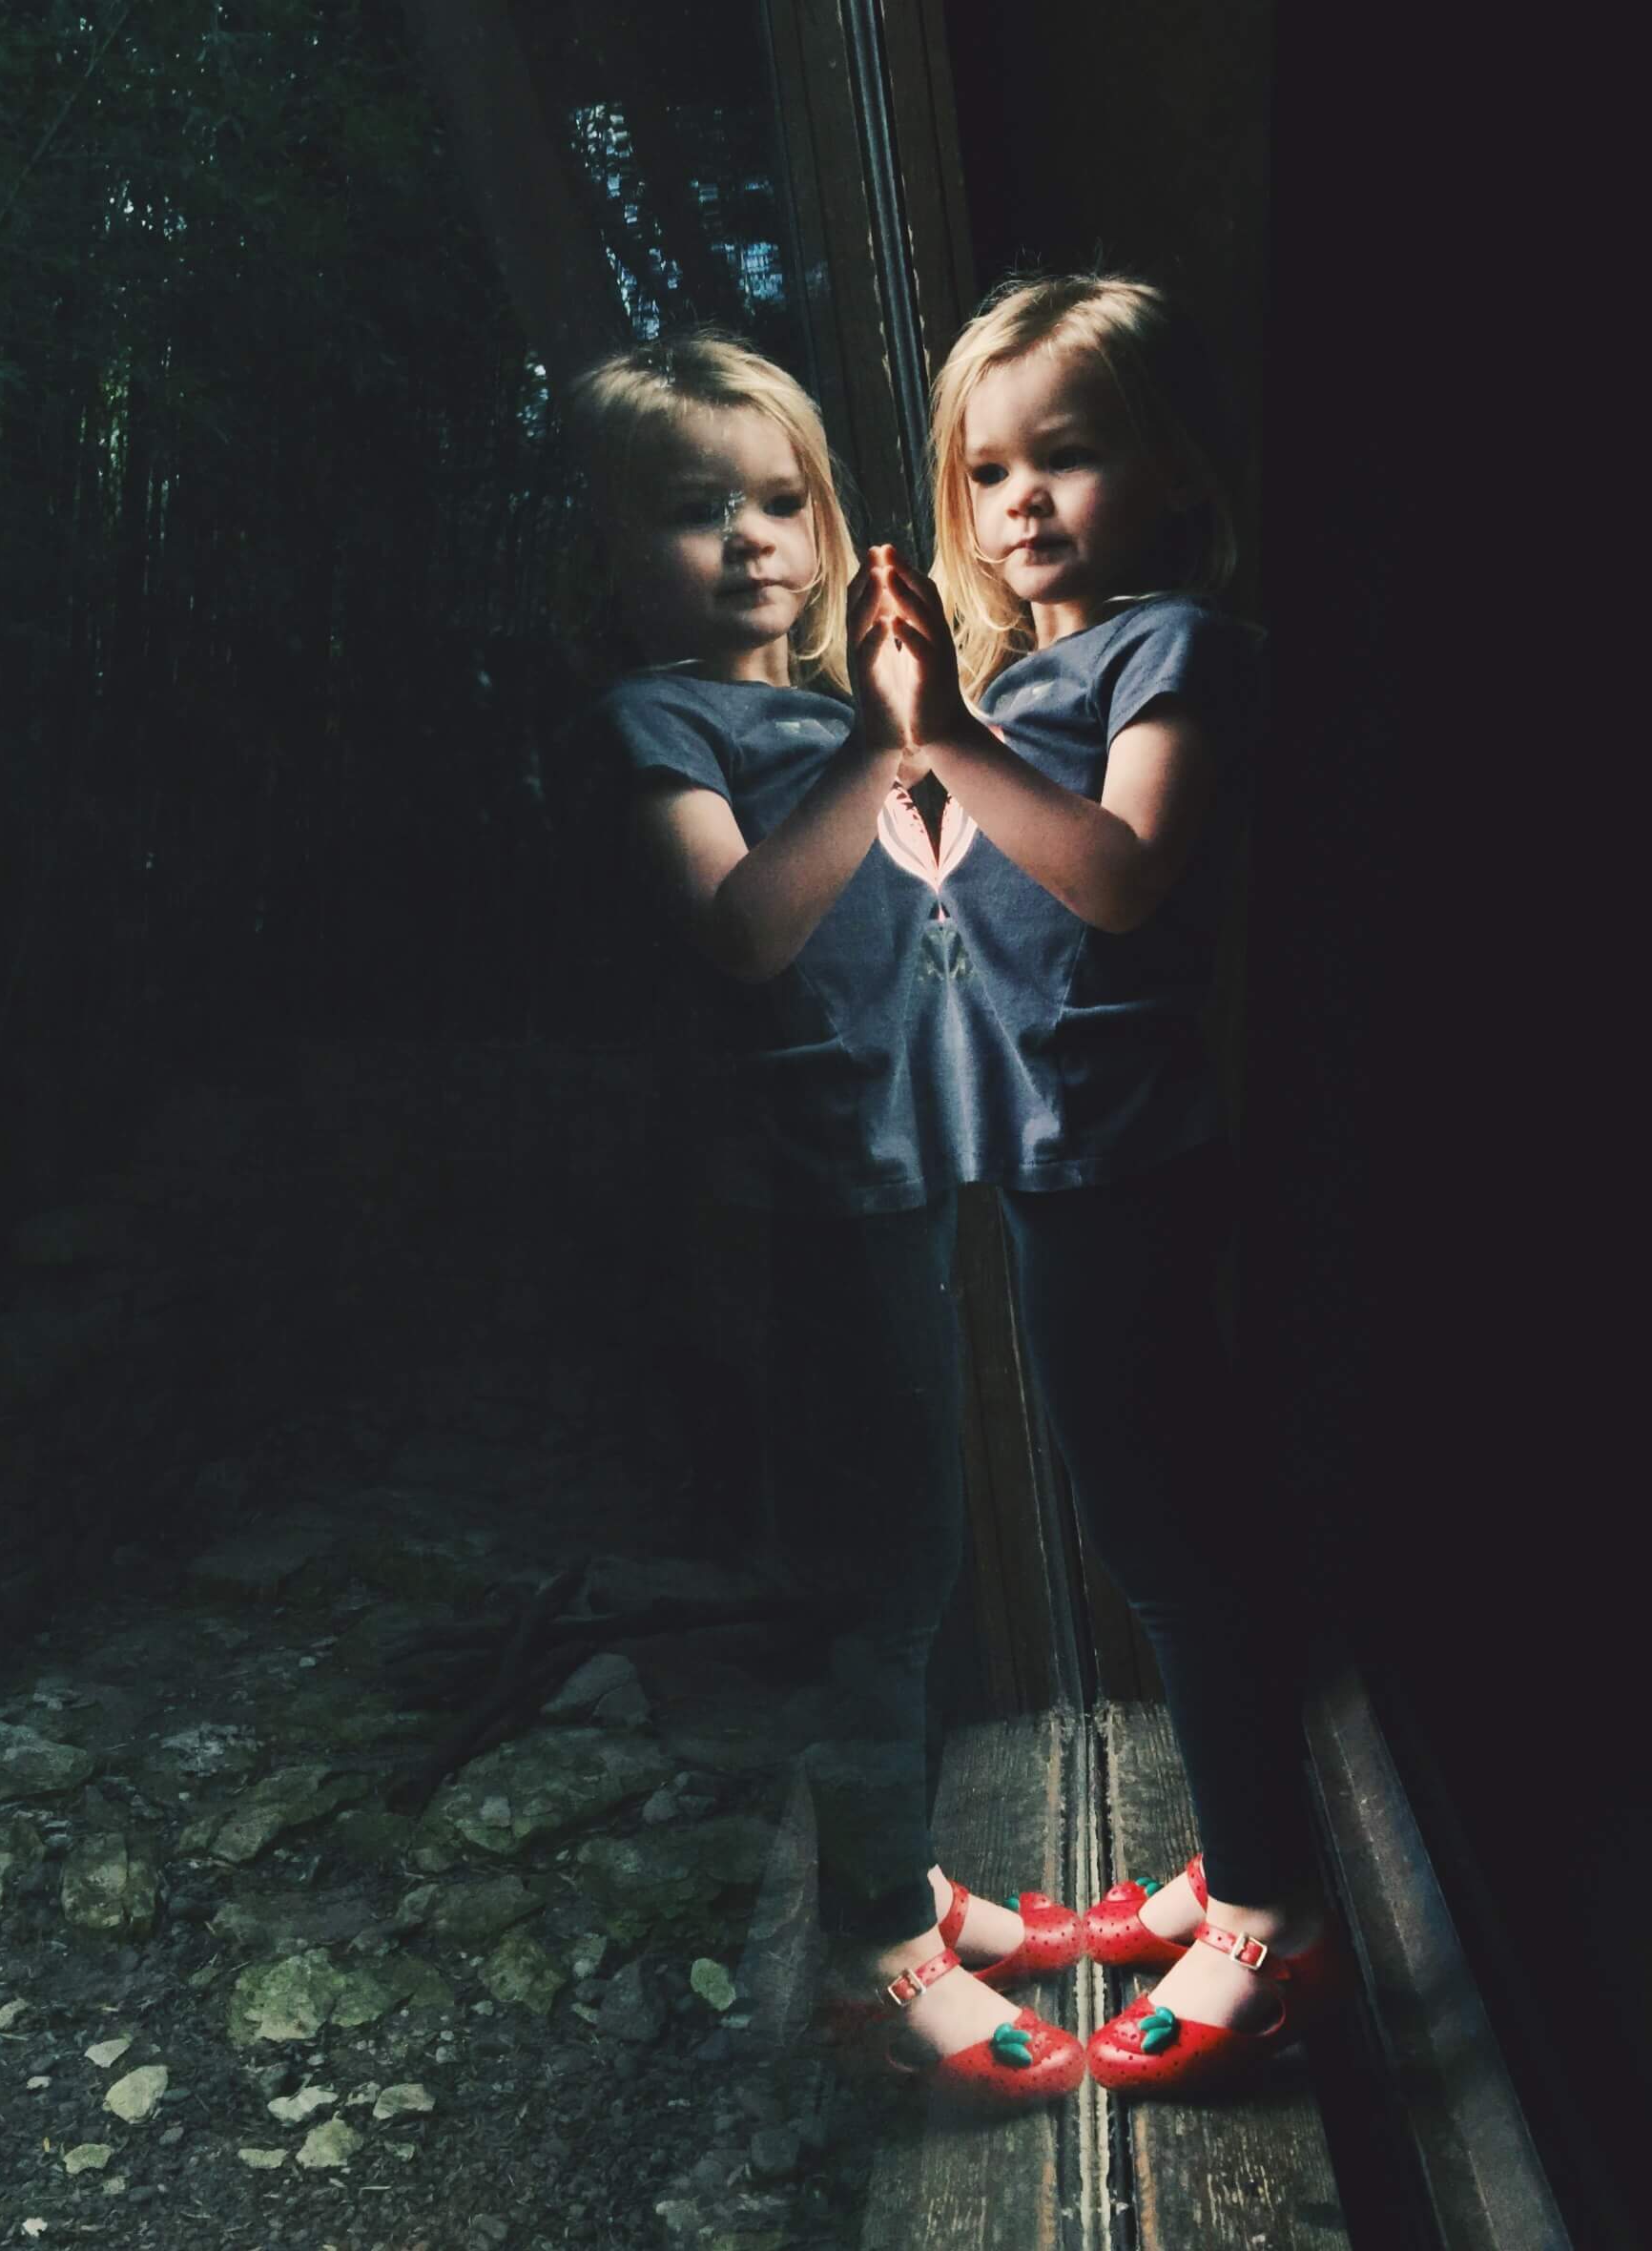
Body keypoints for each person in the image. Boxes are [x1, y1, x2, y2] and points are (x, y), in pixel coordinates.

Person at [564, 334, 1085, 2105]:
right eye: (695, 509)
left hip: (934, 1154)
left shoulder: (833, 717)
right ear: (614, 549)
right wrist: (882, 742)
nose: (751, 540)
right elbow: (745, 929)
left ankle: (916, 1895)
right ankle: (877, 1946)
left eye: (779, 500)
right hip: (815, 1191)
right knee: (882, 1568)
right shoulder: (669, 722)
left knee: (933, 1548)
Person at [863, 271, 1352, 2093]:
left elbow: (1125, 872)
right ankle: (1236, 1869)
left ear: (1169, 471)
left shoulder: (1178, 649)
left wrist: (951, 736)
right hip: (1052, 1164)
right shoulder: (1033, 677)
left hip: (1129, 1167)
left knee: (1175, 1546)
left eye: (1067, 456)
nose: (1020, 503)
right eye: (988, 470)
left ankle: (1277, 1923)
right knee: (1144, 1525)